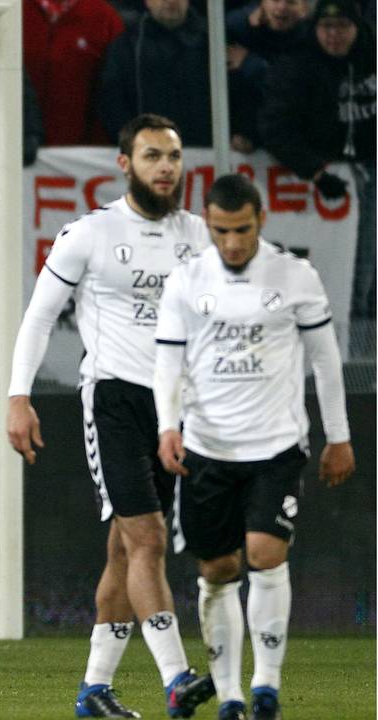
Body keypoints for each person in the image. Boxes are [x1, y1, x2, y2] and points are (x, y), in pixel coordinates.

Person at [6, 114, 215, 718]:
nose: (165, 167)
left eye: (173, 156)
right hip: (114, 400)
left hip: (176, 408)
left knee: (126, 552)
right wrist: (19, 396)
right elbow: (40, 316)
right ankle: (177, 678)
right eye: (152, 155)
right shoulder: (88, 234)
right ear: (125, 164)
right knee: (146, 537)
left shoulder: (198, 236)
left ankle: (94, 689)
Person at [154, 173, 355, 720]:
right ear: (210, 226)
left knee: (266, 555)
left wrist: (339, 435)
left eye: (242, 230)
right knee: (217, 570)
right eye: (221, 231)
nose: (233, 243)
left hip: (275, 448)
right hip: (205, 449)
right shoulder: (186, 280)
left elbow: (325, 360)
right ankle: (229, 696)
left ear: (260, 220)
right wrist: (167, 426)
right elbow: (168, 360)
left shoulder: (296, 276)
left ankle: (266, 686)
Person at [258, 0, 375, 318]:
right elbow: (274, 128)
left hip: (369, 172)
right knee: (337, 270)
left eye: (343, 27)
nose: (334, 35)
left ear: (357, 28)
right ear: (316, 28)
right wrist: (315, 171)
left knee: (369, 268)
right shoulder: (297, 66)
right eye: (327, 27)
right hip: (319, 183)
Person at [97, 0, 212, 147]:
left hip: (205, 150)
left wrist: (241, 130)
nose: (171, 1)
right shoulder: (127, 45)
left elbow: (236, 89)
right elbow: (112, 99)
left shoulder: (212, 39)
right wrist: (129, 140)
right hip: (146, 149)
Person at [22, 0, 124, 146]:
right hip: (10, 150)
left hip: (79, 156)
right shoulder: (7, 11)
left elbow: (113, 96)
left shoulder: (105, 18)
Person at [225, 0, 311, 151]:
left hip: (295, 143)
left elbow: (293, 94)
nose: (281, 7)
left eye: (291, 2)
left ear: (304, 9)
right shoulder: (239, 31)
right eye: (275, 0)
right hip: (239, 141)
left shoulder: (312, 42)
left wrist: (252, 65)